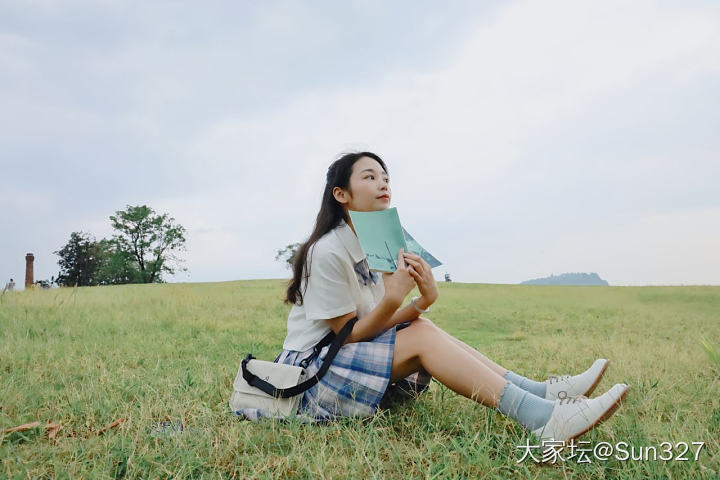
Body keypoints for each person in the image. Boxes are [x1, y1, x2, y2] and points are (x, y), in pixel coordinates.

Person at [234, 152, 629, 444]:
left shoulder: (377, 243)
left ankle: (542, 393)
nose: (383, 183)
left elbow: (382, 325)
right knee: (419, 335)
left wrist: (422, 301)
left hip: (340, 360)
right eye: (369, 177)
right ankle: (545, 419)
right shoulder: (328, 251)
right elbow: (348, 335)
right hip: (309, 377)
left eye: (385, 176)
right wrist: (394, 299)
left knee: (421, 326)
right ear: (342, 194)